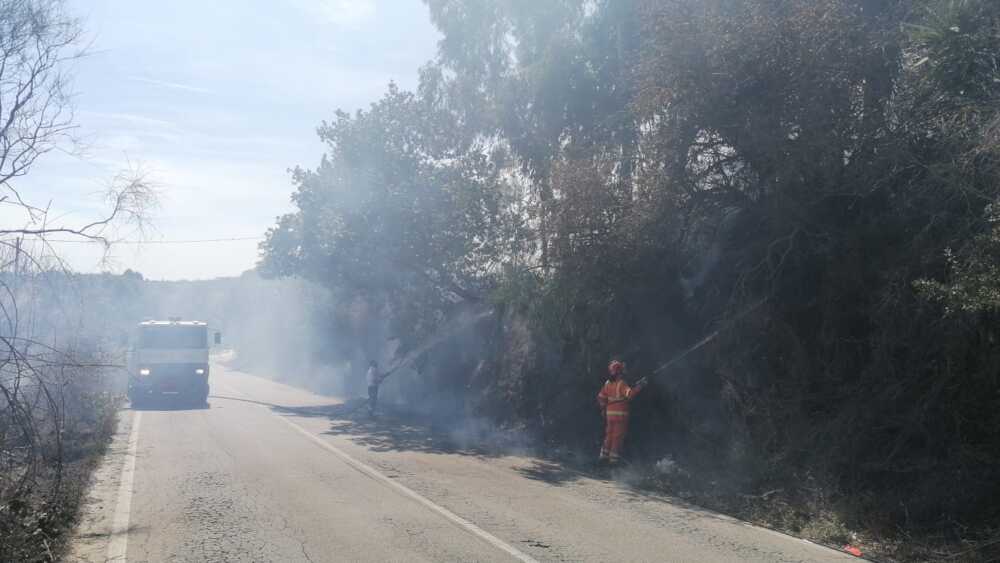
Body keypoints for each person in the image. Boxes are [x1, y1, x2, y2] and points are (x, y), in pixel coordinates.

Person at [597, 359, 646, 465]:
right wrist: (639, 386)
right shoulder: (622, 383)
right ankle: (613, 462)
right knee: (617, 437)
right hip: (620, 415)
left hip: (609, 415)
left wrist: (603, 408)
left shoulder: (607, 384)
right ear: (620, 372)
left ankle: (603, 458)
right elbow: (630, 395)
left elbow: (600, 397)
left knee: (608, 436)